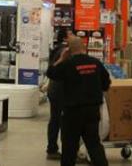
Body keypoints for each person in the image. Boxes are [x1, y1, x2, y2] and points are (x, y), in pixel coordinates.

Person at [46, 36, 111, 166]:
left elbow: (50, 73)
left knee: (69, 147)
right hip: (92, 111)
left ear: (68, 50)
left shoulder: (67, 64)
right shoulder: (96, 63)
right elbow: (106, 84)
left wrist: (61, 59)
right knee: (94, 145)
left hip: (72, 112)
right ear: (84, 47)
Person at [46, 29, 71, 160]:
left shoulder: (56, 49)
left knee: (55, 120)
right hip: (60, 90)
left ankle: (52, 148)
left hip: (54, 89)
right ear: (65, 38)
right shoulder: (65, 51)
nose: (73, 36)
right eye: (71, 34)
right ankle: (59, 150)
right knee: (62, 121)